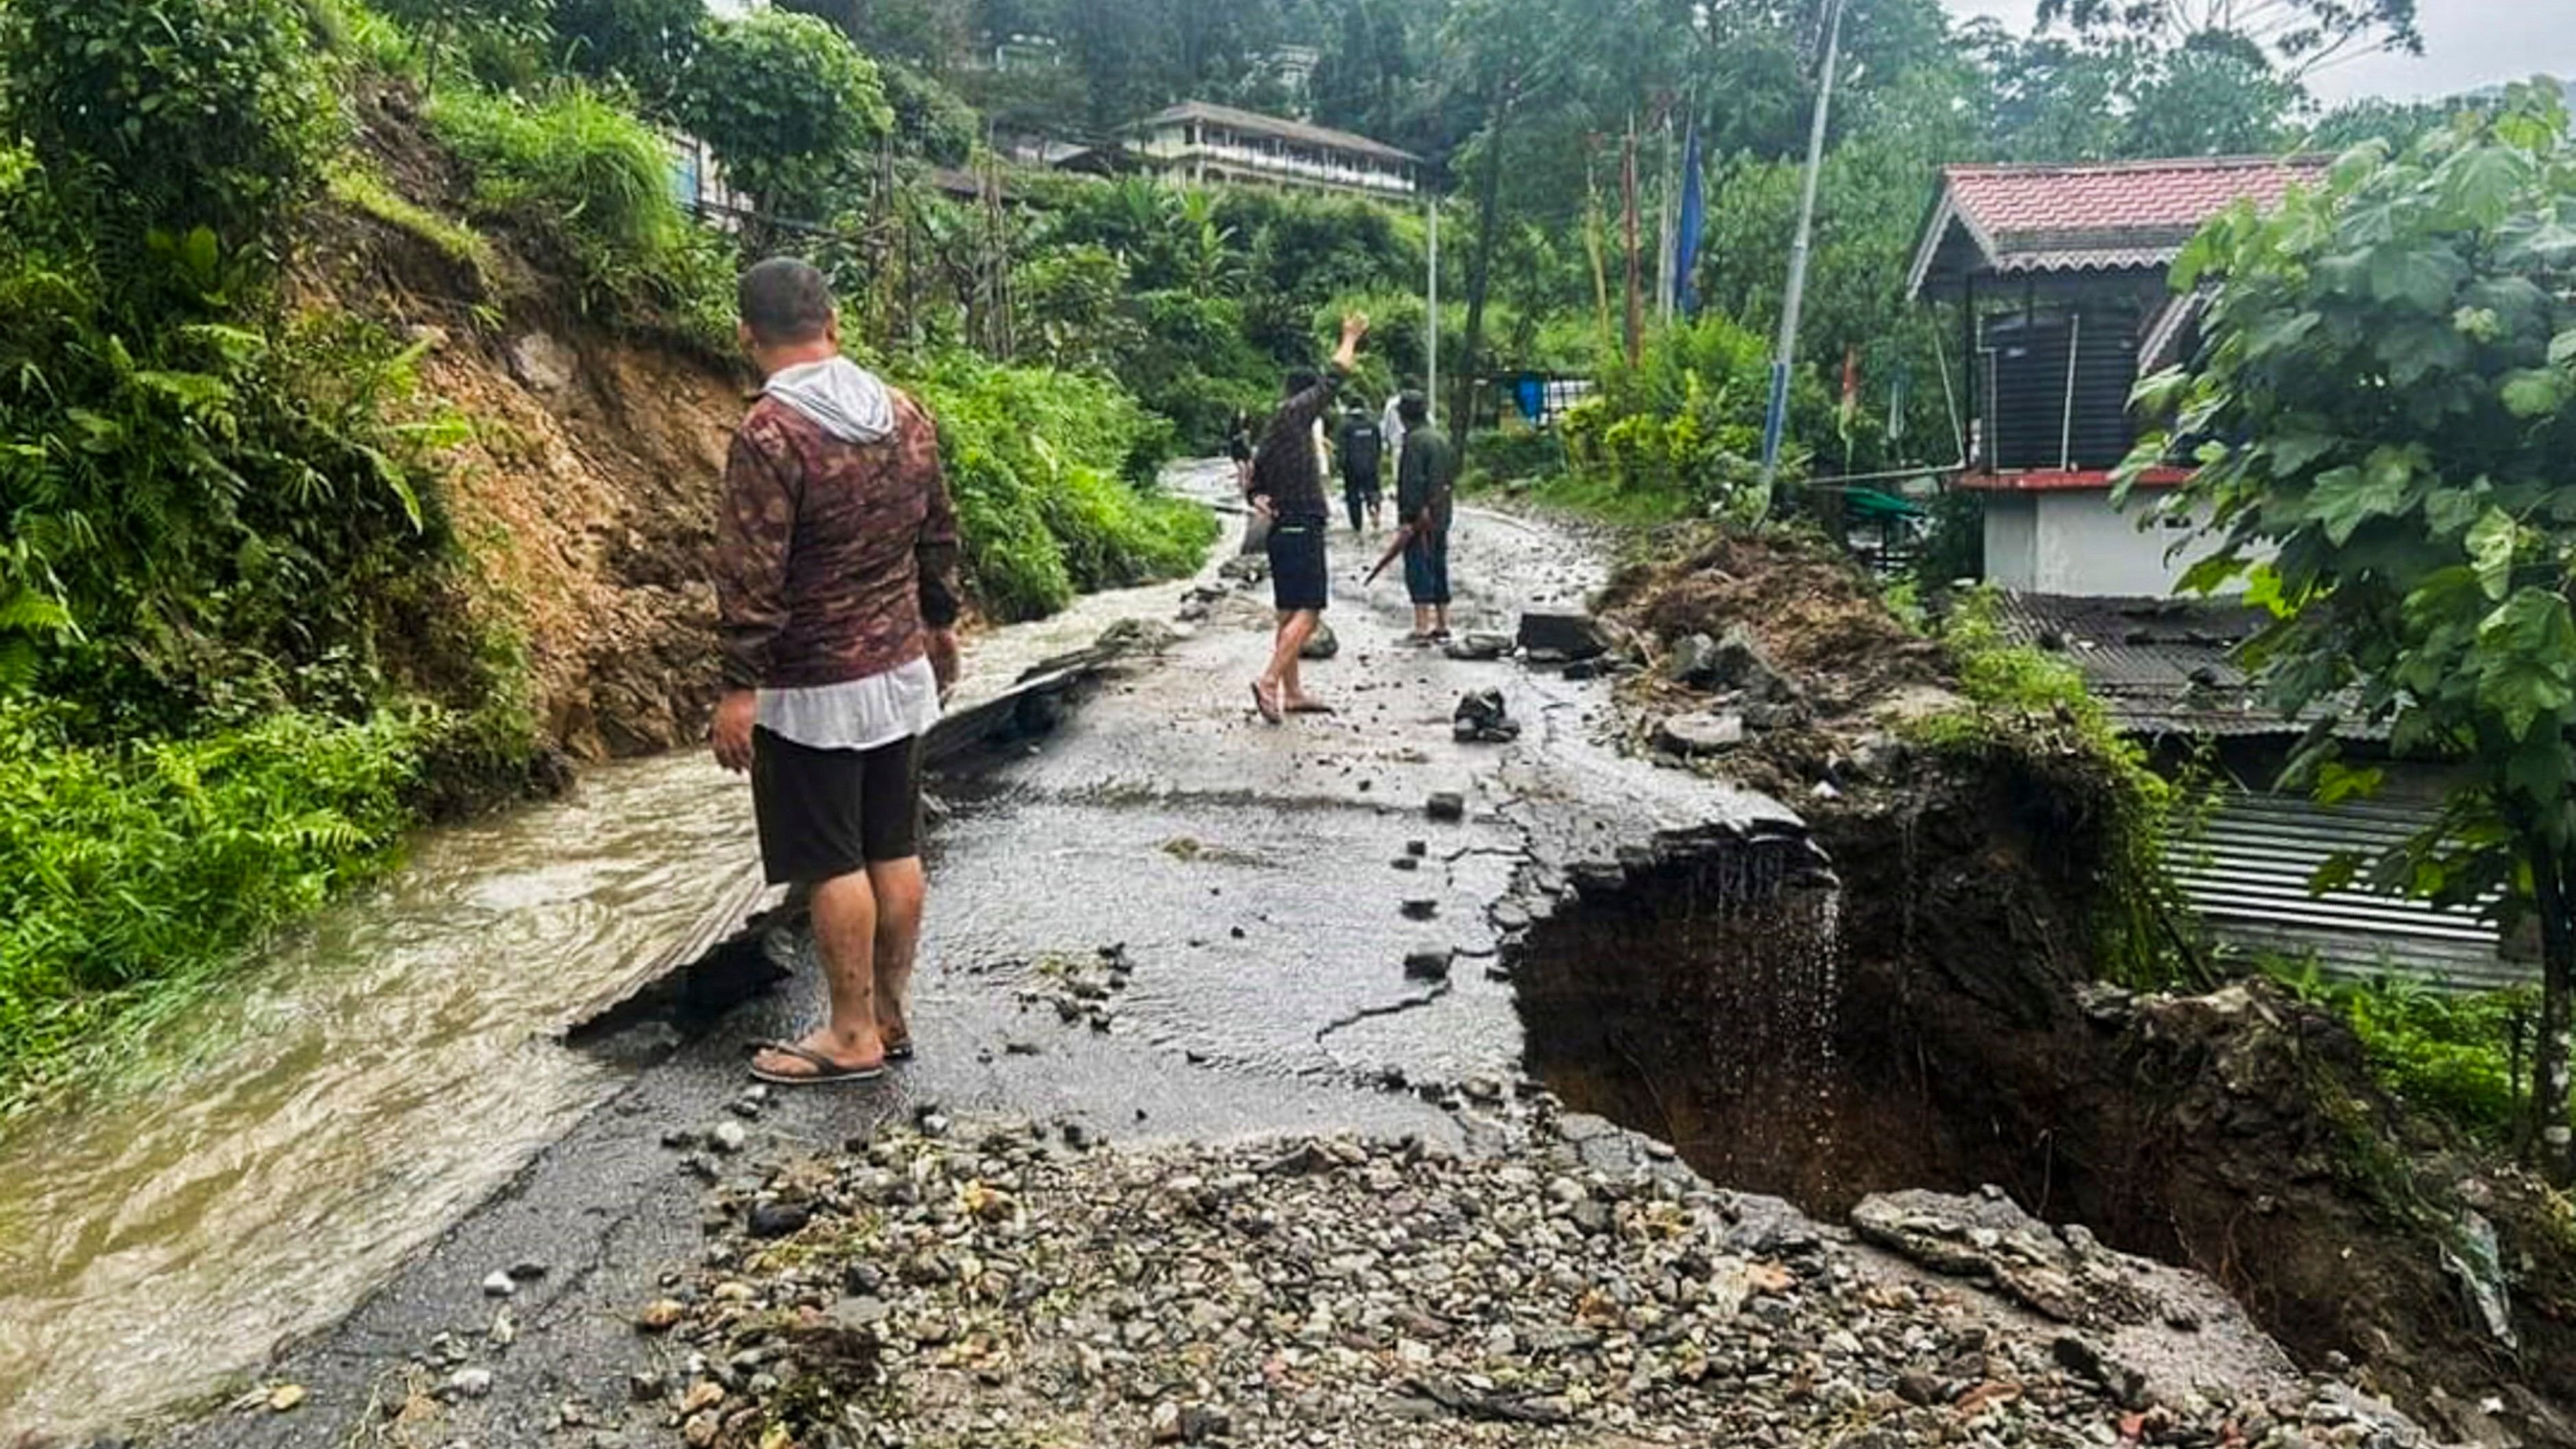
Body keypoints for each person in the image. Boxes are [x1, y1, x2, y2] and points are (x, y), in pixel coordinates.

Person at [710, 256, 964, 1087]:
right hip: (897, 669)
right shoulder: (905, 413)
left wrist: (739, 686)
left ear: (748, 335)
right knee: (894, 843)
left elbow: (753, 572)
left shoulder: (771, 435)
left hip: (810, 689)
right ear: (835, 324)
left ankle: (851, 1033)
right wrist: (940, 623)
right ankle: (889, 1015)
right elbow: (938, 531)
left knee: (832, 860)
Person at [1245, 312, 1370, 723]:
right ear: (1304, 398)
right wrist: (1350, 337)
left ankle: (1293, 692)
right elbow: (1334, 377)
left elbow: (1253, 483)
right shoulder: (1295, 416)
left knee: (1287, 613)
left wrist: (1257, 497)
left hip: (1283, 530)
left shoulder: (1271, 430)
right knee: (1311, 610)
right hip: (1301, 526)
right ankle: (1268, 682)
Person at [1394, 390, 1456, 643]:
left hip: (1421, 518)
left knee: (1418, 568)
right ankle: (1442, 623)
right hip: (1442, 514)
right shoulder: (1440, 438)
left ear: (1402, 415)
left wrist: (1408, 518)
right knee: (1439, 565)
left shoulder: (1414, 442)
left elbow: (1412, 482)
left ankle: (1421, 626)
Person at [1336, 403, 1386, 534]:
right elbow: (1379, 446)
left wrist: (1341, 466)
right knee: (1373, 491)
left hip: (1352, 468)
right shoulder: (1373, 425)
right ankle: (1374, 509)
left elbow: (1341, 449)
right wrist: (1376, 461)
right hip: (1371, 466)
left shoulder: (1345, 426)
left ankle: (1357, 525)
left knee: (1353, 498)